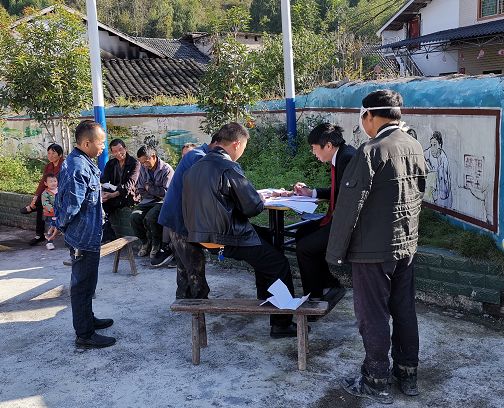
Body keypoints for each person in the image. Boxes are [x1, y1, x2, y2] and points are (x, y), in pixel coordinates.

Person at [326, 90, 427, 404]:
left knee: (373, 316)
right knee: (404, 310)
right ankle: (408, 375)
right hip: (406, 246)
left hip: (372, 252)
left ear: (370, 116)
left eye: (362, 117)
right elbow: (420, 191)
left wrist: (334, 255)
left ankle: (375, 379)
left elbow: (348, 207)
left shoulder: (371, 151)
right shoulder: (414, 145)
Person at [182, 122, 298, 338]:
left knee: (268, 239)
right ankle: (282, 323)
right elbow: (252, 207)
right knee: (278, 263)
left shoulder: (196, 166)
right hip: (226, 236)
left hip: (201, 235)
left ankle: (267, 297)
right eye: (244, 146)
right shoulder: (228, 167)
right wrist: (260, 198)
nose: (243, 151)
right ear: (236, 144)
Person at [55, 120, 116, 349]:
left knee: (89, 283)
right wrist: (63, 228)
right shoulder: (77, 167)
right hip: (82, 238)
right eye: (101, 142)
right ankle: (84, 335)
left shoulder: (84, 162)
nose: (103, 147)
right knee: (81, 286)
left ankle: (88, 319)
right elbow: (70, 206)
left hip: (88, 235)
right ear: (87, 142)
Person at [292, 123, 356, 313]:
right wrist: (311, 193)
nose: (313, 153)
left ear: (328, 145)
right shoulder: (342, 155)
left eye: (314, 148)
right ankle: (328, 282)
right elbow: (339, 192)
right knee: (302, 233)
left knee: (305, 247)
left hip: (347, 224)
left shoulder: (347, 158)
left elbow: (349, 198)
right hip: (339, 219)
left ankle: (315, 298)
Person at [158, 137, 217, 298]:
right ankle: (199, 308)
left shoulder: (195, 155)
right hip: (181, 220)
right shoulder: (199, 157)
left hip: (176, 218)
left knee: (183, 265)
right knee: (194, 266)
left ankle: (183, 297)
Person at [130, 145, 174, 259]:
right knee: (134, 217)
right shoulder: (143, 168)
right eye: (142, 162)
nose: (144, 165)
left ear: (153, 156)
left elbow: (165, 192)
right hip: (147, 200)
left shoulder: (166, 169)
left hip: (162, 202)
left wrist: (150, 188)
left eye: (146, 161)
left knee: (151, 217)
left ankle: (156, 244)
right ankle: (145, 242)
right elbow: (140, 188)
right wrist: (151, 191)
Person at [20, 143, 64, 246]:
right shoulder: (48, 166)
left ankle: (39, 234)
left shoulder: (64, 165)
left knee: (41, 204)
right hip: (50, 194)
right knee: (41, 204)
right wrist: (35, 198)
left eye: (53, 153)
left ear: (60, 154)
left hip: (61, 193)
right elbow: (42, 183)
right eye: (49, 153)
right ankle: (39, 233)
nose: (50, 156)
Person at [100, 138, 141, 242]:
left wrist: (112, 195)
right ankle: (107, 235)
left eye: (120, 149)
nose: (118, 153)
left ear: (125, 149)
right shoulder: (111, 164)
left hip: (128, 196)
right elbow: (104, 180)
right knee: (98, 204)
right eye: (114, 151)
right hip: (113, 194)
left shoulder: (135, 163)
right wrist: (104, 193)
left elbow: (130, 185)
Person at [40, 173, 58, 250]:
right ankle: (49, 242)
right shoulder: (45, 193)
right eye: (51, 181)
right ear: (46, 183)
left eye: (55, 181)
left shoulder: (60, 190)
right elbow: (45, 203)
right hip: (50, 214)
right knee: (51, 227)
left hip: (60, 213)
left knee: (59, 227)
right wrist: (52, 209)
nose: (53, 183)